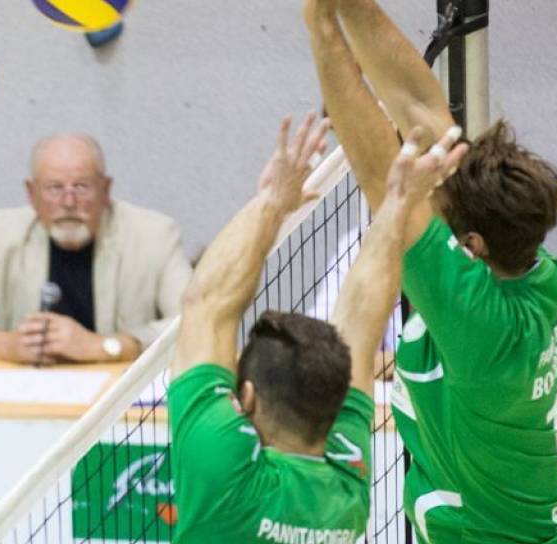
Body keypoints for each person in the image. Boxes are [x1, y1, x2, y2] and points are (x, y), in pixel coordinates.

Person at [305, 0, 557, 541]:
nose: (434, 190)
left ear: (472, 246)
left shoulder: (476, 318)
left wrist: (320, 24)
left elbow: (384, 181)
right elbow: (426, 116)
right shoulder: (540, 272)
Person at [169, 110, 467, 540]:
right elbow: (361, 324)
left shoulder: (226, 476)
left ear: (247, 398)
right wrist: (398, 207)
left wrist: (273, 202)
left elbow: (206, 303)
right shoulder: (346, 485)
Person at [0, 133, 192, 364]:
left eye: (81, 187)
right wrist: (1, 344)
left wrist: (109, 346)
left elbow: (195, 321)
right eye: (54, 188)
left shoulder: (155, 235)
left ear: (105, 190)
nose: (68, 202)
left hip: (119, 390)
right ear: (32, 194)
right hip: (29, 390)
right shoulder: (2, 233)